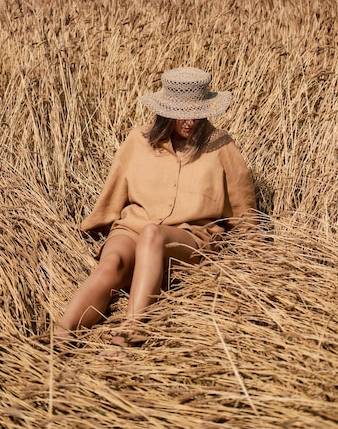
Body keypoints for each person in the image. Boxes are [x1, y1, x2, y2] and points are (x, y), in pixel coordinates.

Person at [55, 67, 257, 354]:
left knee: (152, 235)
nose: (189, 121)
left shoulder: (221, 146)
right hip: (133, 227)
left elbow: (243, 207)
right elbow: (114, 191)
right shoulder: (138, 141)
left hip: (190, 237)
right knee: (111, 263)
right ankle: (61, 336)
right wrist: (98, 227)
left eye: (197, 112)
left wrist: (253, 256)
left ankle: (129, 334)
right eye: (181, 113)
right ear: (166, 111)